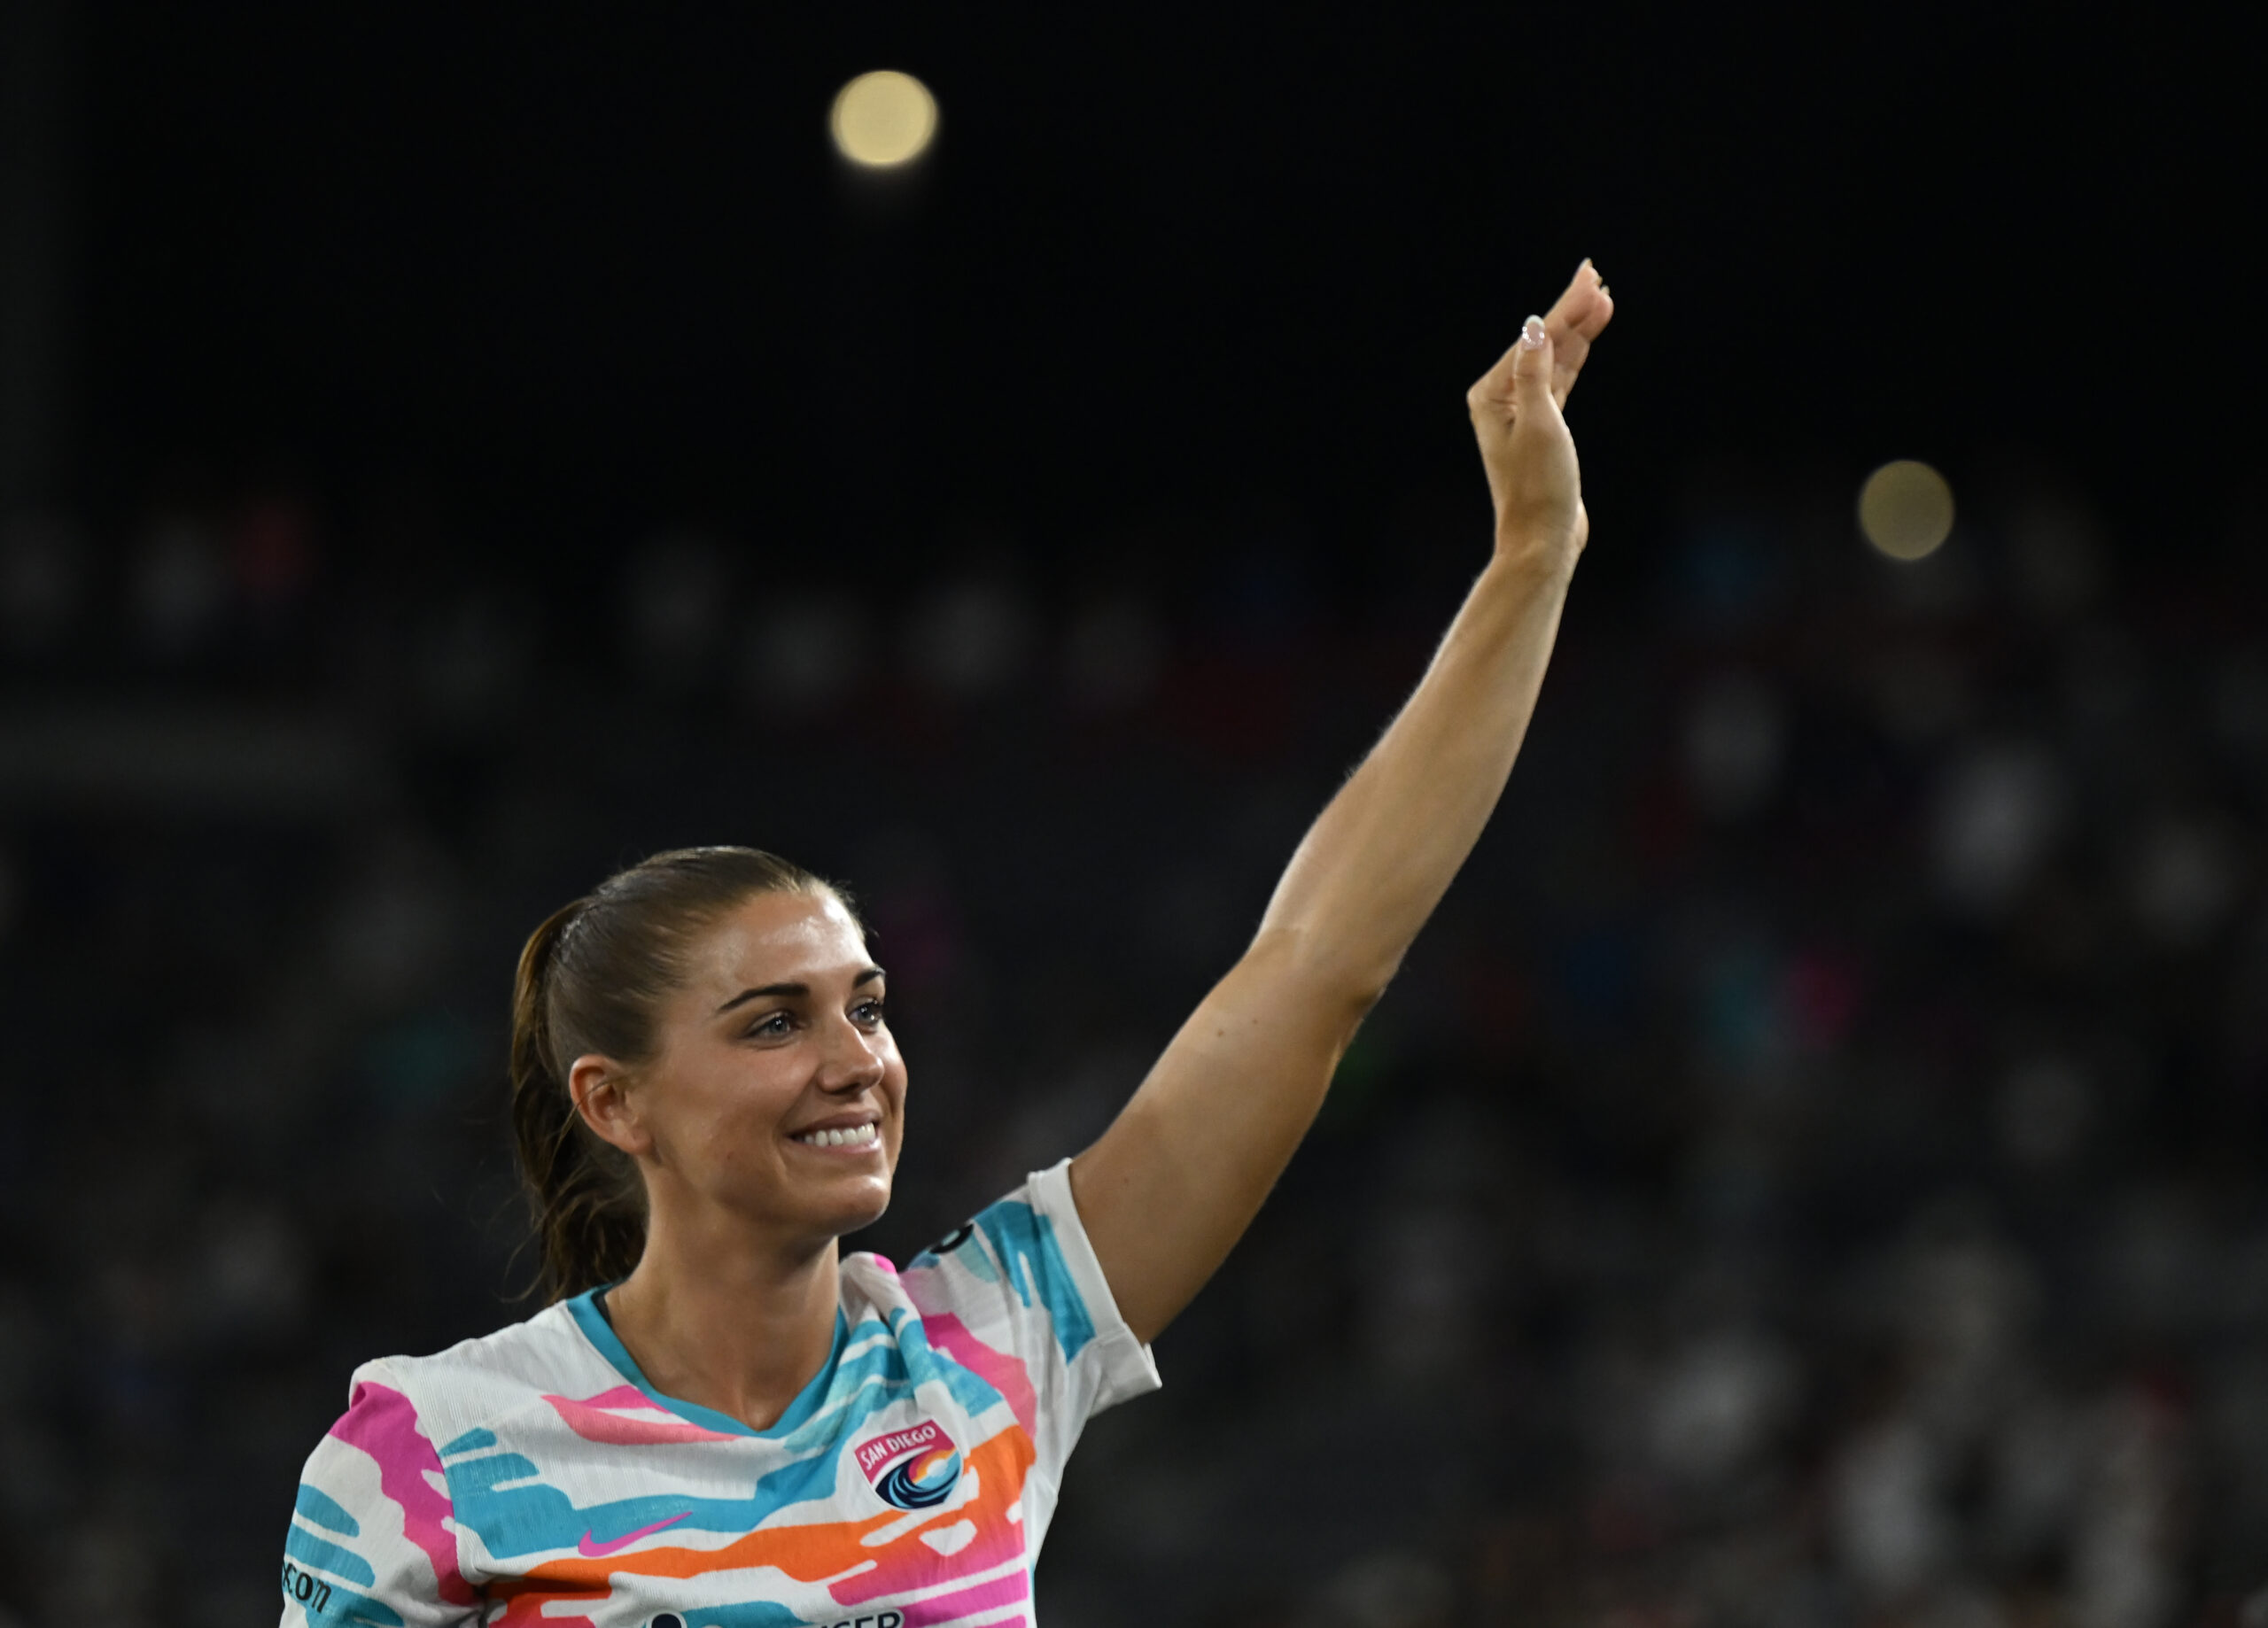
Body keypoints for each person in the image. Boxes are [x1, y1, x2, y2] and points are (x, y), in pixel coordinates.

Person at [278, 260, 1615, 1627]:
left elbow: (1319, 966)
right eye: (773, 1020)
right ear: (614, 1100)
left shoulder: (992, 1341)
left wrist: (1531, 557)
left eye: (866, 1005)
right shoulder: (423, 1459)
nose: (854, 1059)